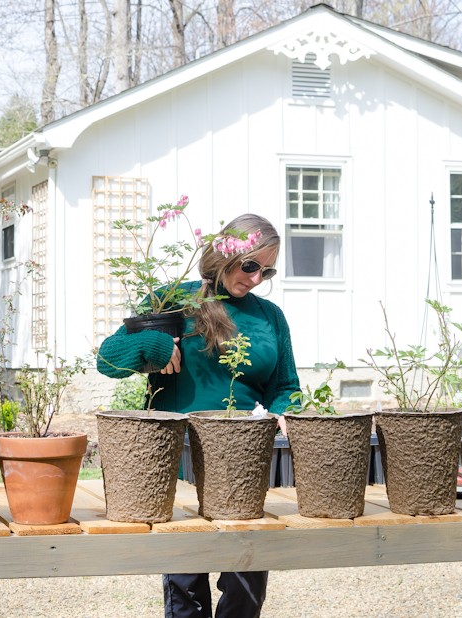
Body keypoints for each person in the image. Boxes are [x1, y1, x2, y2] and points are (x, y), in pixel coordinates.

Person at [96, 213, 299, 618]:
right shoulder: (173, 299)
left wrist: (283, 413)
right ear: (225, 253)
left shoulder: (270, 316)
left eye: (267, 269)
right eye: (250, 265)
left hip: (244, 457)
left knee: (247, 577)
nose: (257, 278)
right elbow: (107, 360)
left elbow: (285, 386)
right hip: (179, 453)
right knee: (185, 581)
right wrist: (154, 346)